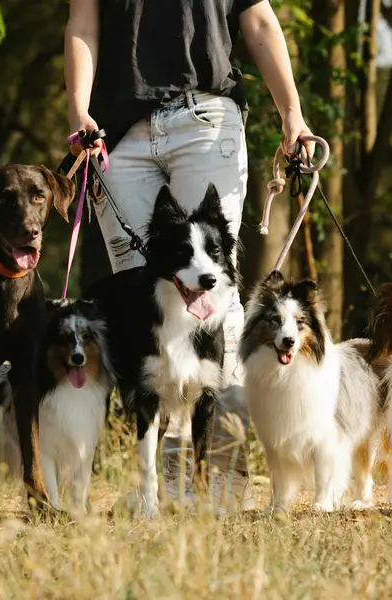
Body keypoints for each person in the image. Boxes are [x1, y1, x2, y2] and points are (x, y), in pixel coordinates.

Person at [64, 0, 314, 513]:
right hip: (117, 134)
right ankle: (172, 484)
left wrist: (293, 115)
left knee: (215, 301)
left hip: (205, 120)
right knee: (147, 315)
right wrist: (78, 109)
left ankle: (223, 476)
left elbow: (259, 20)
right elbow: (83, 22)